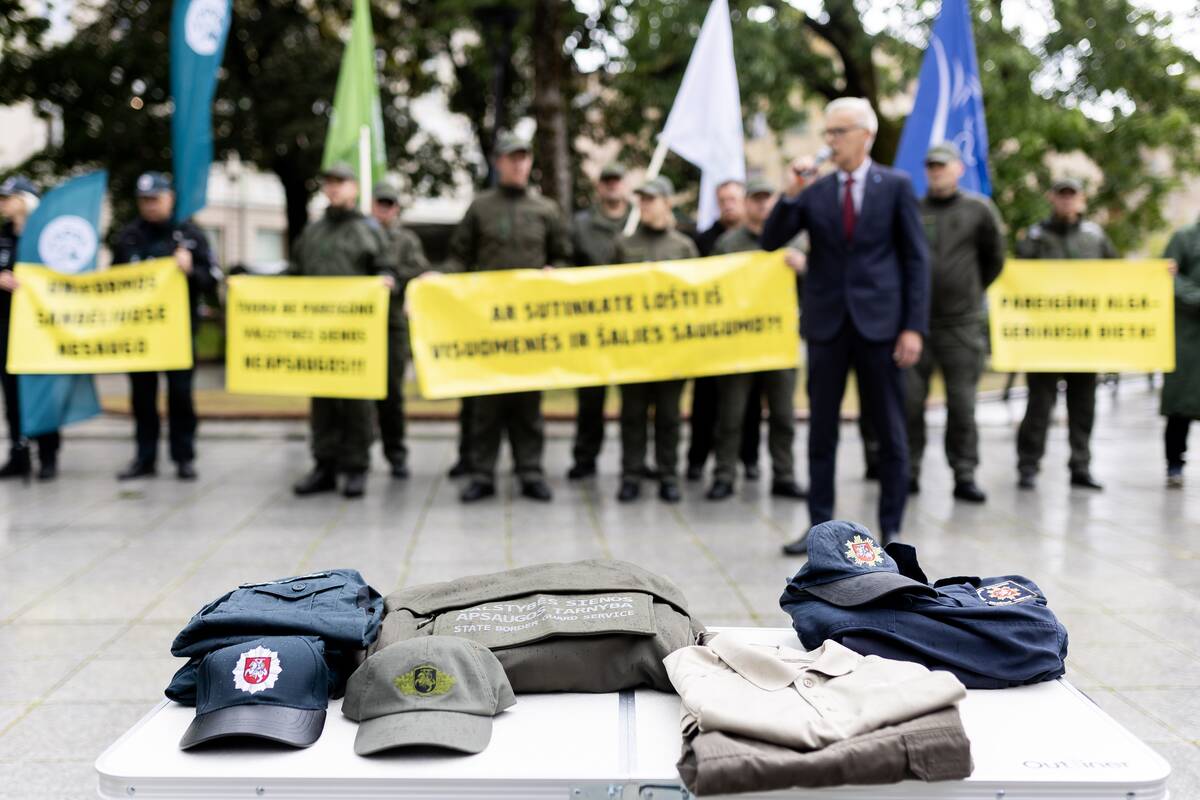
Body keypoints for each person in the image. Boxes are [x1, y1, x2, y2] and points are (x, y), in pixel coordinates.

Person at [762, 97, 930, 554]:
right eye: (828, 133)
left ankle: (892, 529)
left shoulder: (895, 186)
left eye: (839, 132)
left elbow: (916, 260)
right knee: (822, 431)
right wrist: (790, 192)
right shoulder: (815, 190)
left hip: (882, 327)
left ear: (866, 135)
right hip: (827, 326)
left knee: (889, 430)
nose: (831, 141)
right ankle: (820, 530)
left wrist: (913, 327)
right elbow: (771, 239)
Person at [445, 133, 572, 504]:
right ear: (498, 163)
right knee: (486, 405)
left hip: (530, 326)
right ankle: (482, 473)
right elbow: (459, 257)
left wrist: (556, 270)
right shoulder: (480, 208)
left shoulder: (546, 209)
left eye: (524, 158)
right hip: (488, 324)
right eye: (511, 158)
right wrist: (437, 282)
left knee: (528, 404)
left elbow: (564, 255)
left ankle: (530, 471)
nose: (519, 164)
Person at [289, 163, 397, 499]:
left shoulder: (368, 230)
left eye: (341, 182)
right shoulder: (313, 232)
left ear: (354, 188)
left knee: (356, 401)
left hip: (356, 335)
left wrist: (387, 281)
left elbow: (387, 268)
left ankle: (355, 466)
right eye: (329, 182)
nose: (334, 188)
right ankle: (324, 464)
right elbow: (295, 273)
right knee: (322, 400)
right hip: (319, 334)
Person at [905, 142, 1006, 503]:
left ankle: (964, 473)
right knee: (909, 403)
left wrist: (969, 290)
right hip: (917, 326)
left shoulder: (979, 209)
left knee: (962, 405)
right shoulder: (913, 210)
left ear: (958, 169)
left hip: (962, 325)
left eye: (943, 166)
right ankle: (909, 470)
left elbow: (995, 260)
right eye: (931, 167)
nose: (937, 172)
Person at [111, 172, 217, 481]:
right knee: (142, 398)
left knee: (180, 396)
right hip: (141, 334)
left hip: (178, 333)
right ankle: (145, 458)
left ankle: (183, 457)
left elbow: (212, 280)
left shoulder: (190, 235)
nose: (150, 205)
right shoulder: (129, 237)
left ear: (170, 198)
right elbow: (112, 283)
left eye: (155, 199)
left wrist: (191, 270)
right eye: (144, 200)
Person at [1014, 177, 1117, 491]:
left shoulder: (1094, 236)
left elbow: (1119, 275)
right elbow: (1016, 279)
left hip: (1083, 337)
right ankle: (1029, 465)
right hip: (1045, 337)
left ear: (1081, 199)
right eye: (1062, 195)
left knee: (1083, 405)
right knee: (1039, 405)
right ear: (1052, 198)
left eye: (1072, 195)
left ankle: (1081, 465)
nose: (1067, 201)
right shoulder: (1035, 236)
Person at [706, 177, 805, 502]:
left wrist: (803, 267)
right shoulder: (728, 243)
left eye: (767, 198)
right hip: (740, 344)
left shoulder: (795, 240)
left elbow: (818, 283)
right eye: (756, 199)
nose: (762, 204)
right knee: (730, 415)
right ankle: (724, 475)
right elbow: (711, 289)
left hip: (780, 343)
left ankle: (784, 475)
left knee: (783, 415)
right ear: (747, 203)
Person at [613, 177, 700, 503]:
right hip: (633, 348)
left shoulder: (683, 247)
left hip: (671, 350)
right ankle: (631, 474)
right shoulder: (624, 245)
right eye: (642, 200)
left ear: (667, 203)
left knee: (668, 416)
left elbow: (699, 296)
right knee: (632, 415)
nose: (645, 205)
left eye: (651, 199)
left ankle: (667, 475)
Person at [566, 162, 631, 480]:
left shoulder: (639, 218)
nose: (612, 185)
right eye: (607, 181)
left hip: (633, 325)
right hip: (593, 323)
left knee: (635, 400)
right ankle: (585, 456)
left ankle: (635, 462)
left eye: (617, 180)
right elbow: (567, 261)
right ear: (599, 186)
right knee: (590, 399)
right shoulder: (581, 225)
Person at [0, 176, 61, 481]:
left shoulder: (48, 236)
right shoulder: (2, 237)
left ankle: (48, 455)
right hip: (7, 326)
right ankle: (18, 455)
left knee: (42, 389)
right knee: (11, 394)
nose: (3, 203)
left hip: (40, 328)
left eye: (8, 197)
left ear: (26, 200)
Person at [686, 179, 746, 482]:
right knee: (704, 400)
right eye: (723, 200)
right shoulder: (703, 240)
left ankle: (748, 458)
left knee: (746, 402)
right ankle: (697, 459)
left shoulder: (759, 236)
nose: (728, 205)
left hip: (748, 334)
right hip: (710, 334)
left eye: (734, 199)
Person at [370, 180, 430, 480]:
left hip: (392, 322)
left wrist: (394, 277)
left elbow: (419, 270)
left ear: (395, 208)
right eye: (380, 203)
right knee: (355, 394)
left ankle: (396, 454)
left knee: (392, 394)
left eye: (389, 204)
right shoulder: (361, 233)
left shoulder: (406, 240)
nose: (384, 209)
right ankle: (354, 456)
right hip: (359, 323)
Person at [1160, 222, 1197, 488]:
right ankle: (1175, 464)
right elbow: (1166, 276)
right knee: (1180, 405)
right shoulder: (1185, 238)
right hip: (1187, 336)